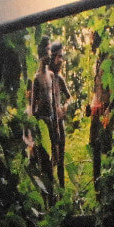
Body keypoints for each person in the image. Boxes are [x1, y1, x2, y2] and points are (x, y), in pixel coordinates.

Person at [29, 37, 76, 190]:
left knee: (59, 158)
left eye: (61, 56)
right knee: (47, 163)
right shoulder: (40, 77)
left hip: (56, 121)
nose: (59, 60)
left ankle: (60, 190)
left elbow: (67, 99)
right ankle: (50, 193)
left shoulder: (55, 78)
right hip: (46, 122)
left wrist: (64, 108)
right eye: (57, 56)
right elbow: (34, 108)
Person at [87, 30, 112, 200]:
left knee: (107, 150)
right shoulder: (97, 62)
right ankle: (98, 194)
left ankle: (109, 191)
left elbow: (113, 90)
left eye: (92, 40)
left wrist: (108, 109)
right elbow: (97, 90)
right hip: (97, 112)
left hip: (107, 113)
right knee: (95, 149)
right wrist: (91, 105)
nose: (90, 44)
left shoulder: (110, 60)